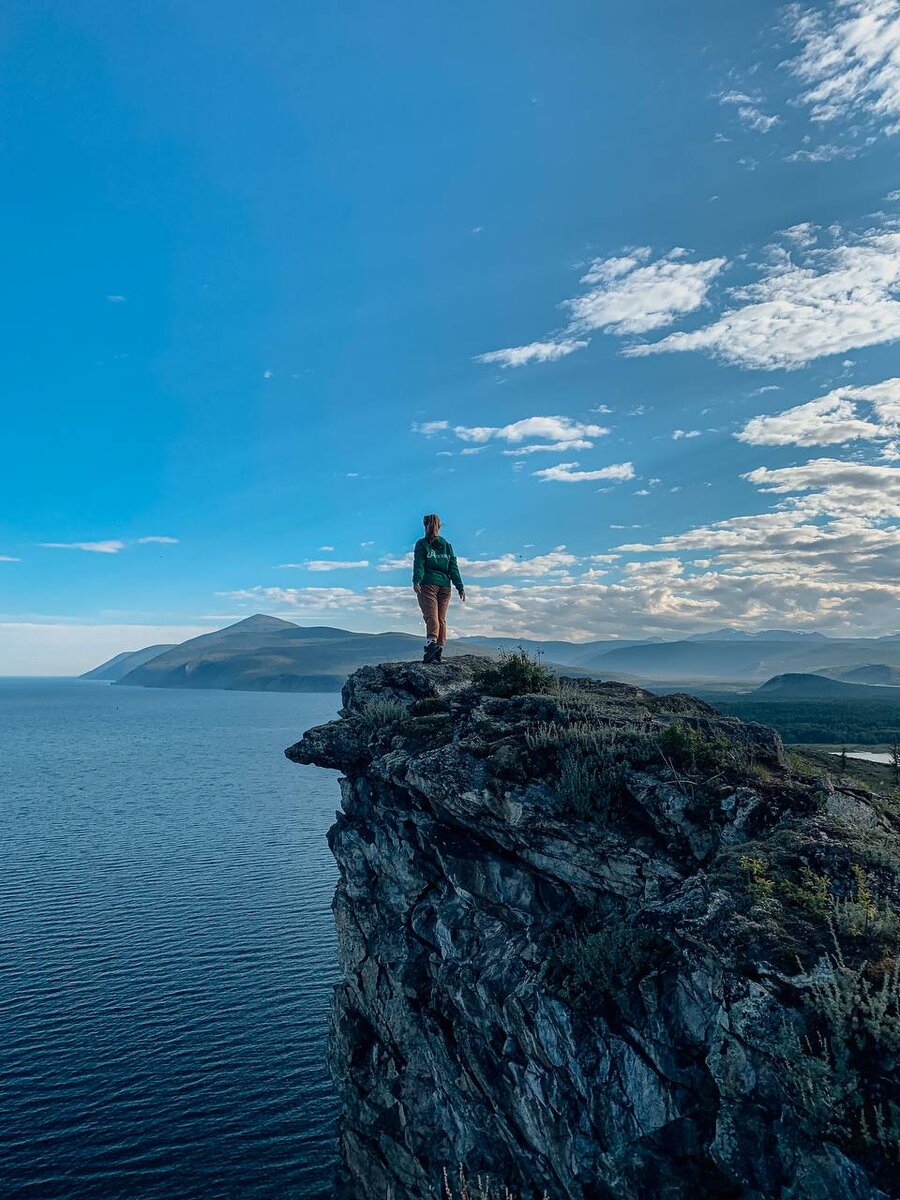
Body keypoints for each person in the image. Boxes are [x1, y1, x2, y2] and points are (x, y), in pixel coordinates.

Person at [412, 513, 465, 663]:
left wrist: (417, 581)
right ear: (439, 526)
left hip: (428, 583)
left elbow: (419, 564)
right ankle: (438, 649)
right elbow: (453, 567)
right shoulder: (447, 546)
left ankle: (431, 645)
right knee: (441, 618)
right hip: (445, 586)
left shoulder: (422, 544)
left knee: (431, 616)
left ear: (425, 525)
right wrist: (459, 586)